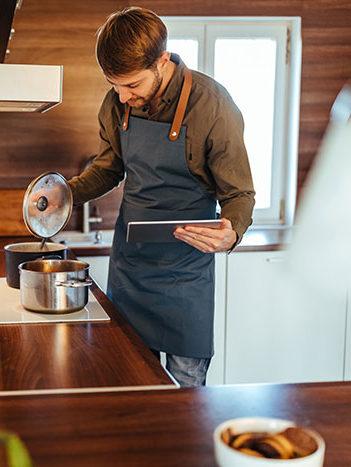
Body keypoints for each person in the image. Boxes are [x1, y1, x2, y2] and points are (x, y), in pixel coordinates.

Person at [67, 7, 255, 387]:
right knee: (130, 387)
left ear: (162, 61)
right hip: (130, 272)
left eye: (132, 85)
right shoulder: (116, 102)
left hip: (185, 277)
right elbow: (108, 168)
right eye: (114, 84)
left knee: (186, 400)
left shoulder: (214, 106)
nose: (122, 95)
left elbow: (239, 193)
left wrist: (230, 232)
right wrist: (65, 194)